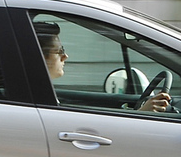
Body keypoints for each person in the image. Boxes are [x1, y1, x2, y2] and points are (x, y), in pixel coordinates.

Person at [34, 21, 170, 112]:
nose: (66, 56)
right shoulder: (37, 98)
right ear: (38, 56)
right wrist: (141, 114)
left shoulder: (38, 94)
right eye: (59, 51)